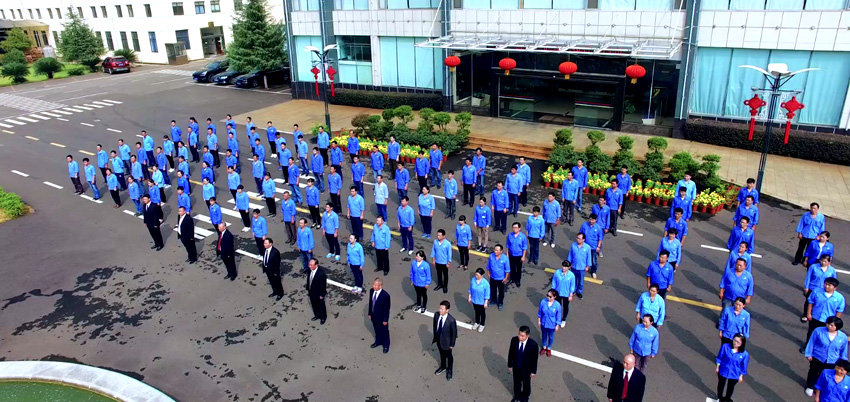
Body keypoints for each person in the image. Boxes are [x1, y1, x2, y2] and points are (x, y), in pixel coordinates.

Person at [805, 316, 848, 396]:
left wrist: (843, 360)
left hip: (832, 360)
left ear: (837, 327)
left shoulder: (843, 337)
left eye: (831, 325)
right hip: (818, 357)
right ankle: (810, 386)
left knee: (826, 374)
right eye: (828, 324)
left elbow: (843, 349)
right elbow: (811, 342)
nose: (828, 326)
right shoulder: (818, 331)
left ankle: (820, 387)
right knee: (813, 372)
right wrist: (809, 353)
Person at [807, 278, 846, 344]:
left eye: (829, 285)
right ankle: (808, 346)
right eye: (825, 284)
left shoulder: (839, 298)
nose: (826, 286)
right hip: (815, 317)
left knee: (824, 336)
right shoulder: (816, 292)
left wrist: (835, 322)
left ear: (835, 287)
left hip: (828, 321)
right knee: (811, 333)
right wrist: (808, 313)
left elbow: (839, 310)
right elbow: (811, 302)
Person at [507, 325, 539, 402]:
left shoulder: (533, 345)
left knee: (526, 383)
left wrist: (533, 371)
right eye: (519, 334)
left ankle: (525, 397)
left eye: (522, 336)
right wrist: (510, 364)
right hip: (516, 366)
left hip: (526, 369)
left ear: (527, 336)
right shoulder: (514, 340)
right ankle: (517, 396)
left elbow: (534, 359)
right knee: (516, 382)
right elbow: (511, 353)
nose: (520, 337)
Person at [803, 255, 838, 323]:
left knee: (819, 303)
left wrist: (833, 290)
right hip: (813, 288)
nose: (823, 262)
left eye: (825, 261)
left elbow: (834, 281)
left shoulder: (832, 270)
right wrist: (806, 287)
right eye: (821, 260)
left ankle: (815, 315)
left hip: (824, 290)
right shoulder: (813, 267)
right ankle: (806, 315)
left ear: (829, 262)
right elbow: (808, 277)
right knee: (809, 302)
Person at [715, 334, 749, 402]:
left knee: (731, 387)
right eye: (734, 340)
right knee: (721, 384)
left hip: (735, 372)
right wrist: (717, 367)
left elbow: (743, 366)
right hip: (724, 369)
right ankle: (719, 398)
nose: (735, 343)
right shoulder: (725, 346)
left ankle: (727, 398)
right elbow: (720, 357)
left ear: (742, 343)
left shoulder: (744, 354)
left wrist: (741, 375)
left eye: (738, 342)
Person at [432, 300, 457, 381]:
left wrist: (452, 344)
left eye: (442, 309)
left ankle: (449, 370)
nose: (440, 310)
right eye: (439, 308)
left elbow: (454, 334)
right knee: (441, 354)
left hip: (447, 343)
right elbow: (435, 326)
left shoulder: (451, 320)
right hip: (438, 340)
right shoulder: (436, 315)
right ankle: (443, 367)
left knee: (449, 357)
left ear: (447, 310)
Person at [368, 278, 392, 353]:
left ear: (380, 286)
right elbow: (371, 303)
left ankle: (386, 345)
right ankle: (378, 341)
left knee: (384, 332)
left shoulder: (385, 296)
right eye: (373, 284)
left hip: (381, 318)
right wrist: (369, 313)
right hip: (373, 316)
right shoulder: (371, 291)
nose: (373, 286)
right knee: (376, 330)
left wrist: (385, 320)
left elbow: (386, 309)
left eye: (375, 285)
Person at [580, 213, 605, 280]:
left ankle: (593, 271)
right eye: (590, 219)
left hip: (593, 247)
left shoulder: (598, 228)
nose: (591, 221)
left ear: (595, 220)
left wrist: (598, 247)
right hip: (585, 246)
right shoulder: (584, 225)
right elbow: (580, 235)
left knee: (593, 260)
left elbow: (600, 238)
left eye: (593, 220)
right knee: (583, 258)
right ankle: (583, 268)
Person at [538, 289, 562, 356]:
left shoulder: (557, 305)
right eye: (547, 295)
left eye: (550, 296)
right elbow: (540, 312)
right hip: (544, 322)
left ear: (555, 297)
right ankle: (544, 347)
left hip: (552, 324)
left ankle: (549, 348)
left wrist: (557, 325)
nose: (548, 297)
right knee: (544, 335)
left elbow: (558, 316)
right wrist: (539, 321)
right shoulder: (543, 302)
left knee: (551, 337)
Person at [551, 261, 576, 327]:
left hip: (566, 294)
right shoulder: (557, 272)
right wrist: (553, 290)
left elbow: (572, 285)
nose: (564, 268)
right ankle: (557, 319)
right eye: (563, 266)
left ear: (569, 267)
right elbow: (554, 281)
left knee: (565, 307)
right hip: (558, 293)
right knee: (558, 306)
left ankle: (564, 319)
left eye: (565, 267)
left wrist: (570, 294)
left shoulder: (571, 275)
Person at [569, 233, 593, 299]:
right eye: (577, 238)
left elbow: (589, 257)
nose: (578, 240)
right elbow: (570, 255)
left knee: (581, 281)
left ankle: (579, 292)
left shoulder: (587, 247)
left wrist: (588, 266)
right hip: (574, 266)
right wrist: (569, 264)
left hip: (582, 268)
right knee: (573, 280)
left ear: (583, 239)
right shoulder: (573, 245)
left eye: (579, 239)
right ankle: (573, 290)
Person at [487, 244, 509, 310]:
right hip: (492, 277)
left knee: (501, 292)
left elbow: (507, 270)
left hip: (501, 279)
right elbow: (488, 266)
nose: (495, 251)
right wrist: (488, 273)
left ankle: (500, 303)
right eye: (495, 250)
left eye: (497, 250)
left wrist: (506, 278)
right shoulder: (491, 256)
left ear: (501, 251)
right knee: (493, 290)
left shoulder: (505, 259)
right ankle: (493, 300)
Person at [306, 258, 328, 325]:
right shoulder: (310, 270)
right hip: (311, 292)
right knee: (314, 304)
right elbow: (309, 280)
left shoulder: (321, 274)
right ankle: (317, 315)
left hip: (318, 294)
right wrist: (308, 288)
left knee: (321, 306)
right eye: (309, 264)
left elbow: (323, 285)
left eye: (311, 265)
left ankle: (323, 317)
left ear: (316, 265)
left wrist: (322, 295)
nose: (309, 266)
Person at [506, 222, 528, 287]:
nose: (514, 229)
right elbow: (508, 245)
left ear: (519, 228)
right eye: (513, 227)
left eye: (516, 227)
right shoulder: (510, 235)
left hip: (519, 255)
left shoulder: (523, 237)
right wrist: (507, 254)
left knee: (518, 268)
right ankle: (512, 278)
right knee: (512, 267)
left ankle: (518, 280)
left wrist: (523, 256)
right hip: (511, 254)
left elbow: (525, 247)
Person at [468, 268, 490, 333]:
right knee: (476, 312)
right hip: (474, 300)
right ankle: (477, 322)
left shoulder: (485, 283)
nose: (476, 276)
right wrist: (469, 297)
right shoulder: (473, 280)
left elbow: (487, 294)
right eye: (476, 274)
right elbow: (470, 289)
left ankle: (482, 324)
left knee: (482, 313)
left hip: (481, 302)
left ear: (482, 275)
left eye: (478, 275)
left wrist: (486, 302)